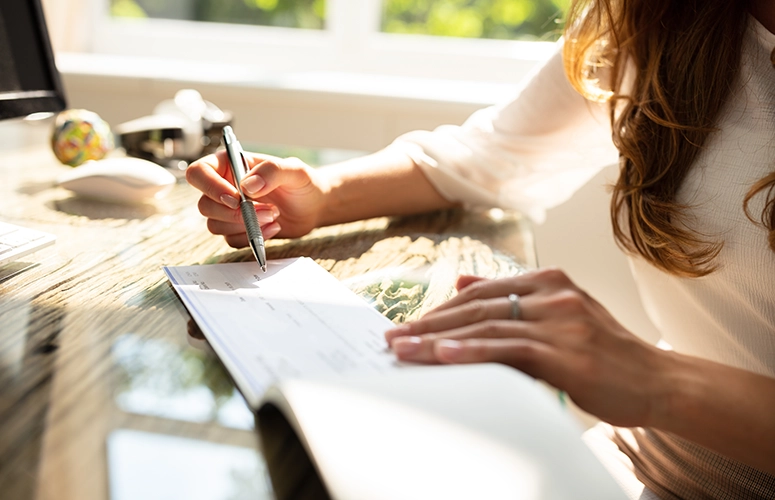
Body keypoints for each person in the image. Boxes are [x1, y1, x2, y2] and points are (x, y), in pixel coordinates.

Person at [186, 0, 775, 497]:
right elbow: (497, 155)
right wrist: (319, 196)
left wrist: (657, 380)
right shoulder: (662, 16)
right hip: (653, 460)